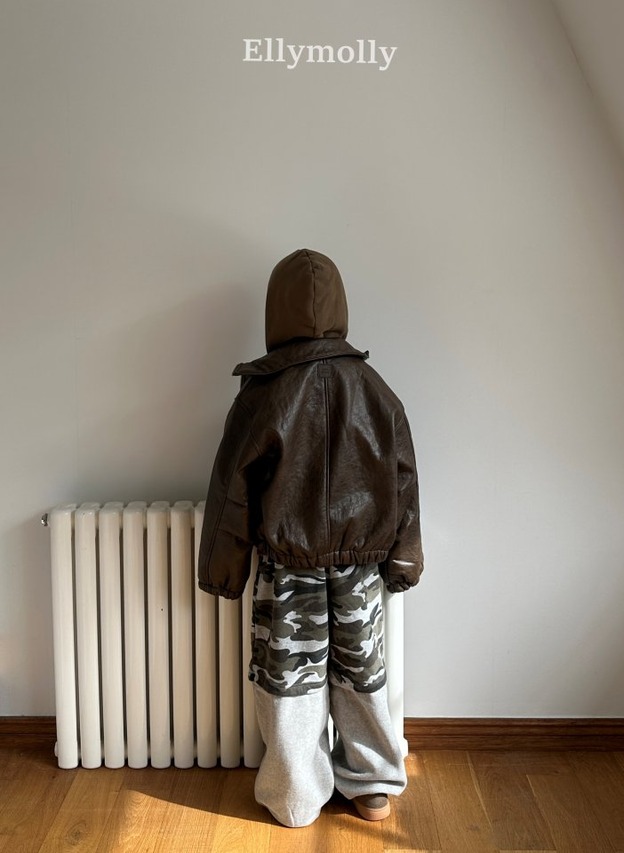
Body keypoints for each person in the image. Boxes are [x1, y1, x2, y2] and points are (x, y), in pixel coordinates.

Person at [198, 248, 423, 828]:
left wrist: (224, 568)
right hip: (360, 569)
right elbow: (404, 479)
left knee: (288, 685)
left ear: (276, 311)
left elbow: (230, 491)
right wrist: (404, 559)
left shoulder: (262, 394)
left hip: (287, 570)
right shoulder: (375, 389)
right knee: (362, 675)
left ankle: (296, 797)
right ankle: (373, 787)